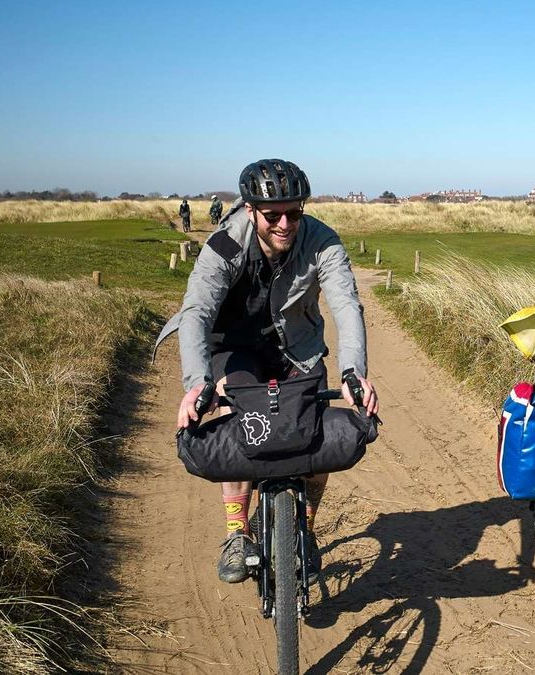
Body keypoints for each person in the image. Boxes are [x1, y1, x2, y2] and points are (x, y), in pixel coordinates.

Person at [155, 158, 379, 584]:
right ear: (250, 209)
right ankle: (237, 534)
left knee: (316, 431)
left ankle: (306, 530)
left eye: (294, 213)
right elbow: (199, 311)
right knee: (236, 418)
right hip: (234, 347)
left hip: (297, 347)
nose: (284, 224)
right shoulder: (224, 244)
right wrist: (197, 385)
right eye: (272, 214)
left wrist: (354, 374)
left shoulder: (322, 241)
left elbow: (347, 306)